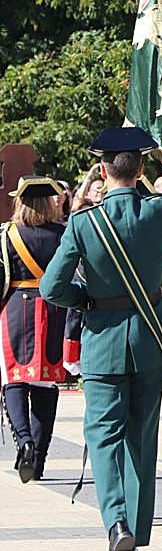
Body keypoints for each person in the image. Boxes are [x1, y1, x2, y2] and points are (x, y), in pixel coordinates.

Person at [40, 127, 162, 551]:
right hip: (150, 341)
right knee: (141, 435)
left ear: (102, 171)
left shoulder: (84, 222)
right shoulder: (160, 213)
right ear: (141, 169)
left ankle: (116, 523)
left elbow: (51, 287)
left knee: (103, 437)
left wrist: (86, 301)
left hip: (101, 341)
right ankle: (137, 530)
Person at [0, 177, 71, 483]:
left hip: (16, 308)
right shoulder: (65, 234)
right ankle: (38, 460)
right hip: (54, 309)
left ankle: (24, 440)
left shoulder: (6, 235)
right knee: (45, 385)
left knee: (13, 380)